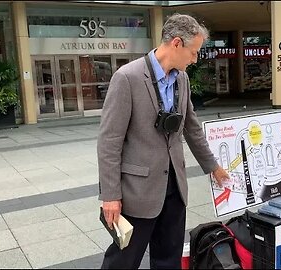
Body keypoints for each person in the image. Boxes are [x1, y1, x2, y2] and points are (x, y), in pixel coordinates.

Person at [97, 13, 230, 269]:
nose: (195, 59)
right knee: (123, 261)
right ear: (177, 43)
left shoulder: (182, 79)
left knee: (168, 261)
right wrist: (110, 196)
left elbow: (191, 128)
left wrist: (212, 166)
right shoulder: (128, 78)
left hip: (174, 189)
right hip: (137, 193)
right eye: (194, 52)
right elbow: (109, 142)